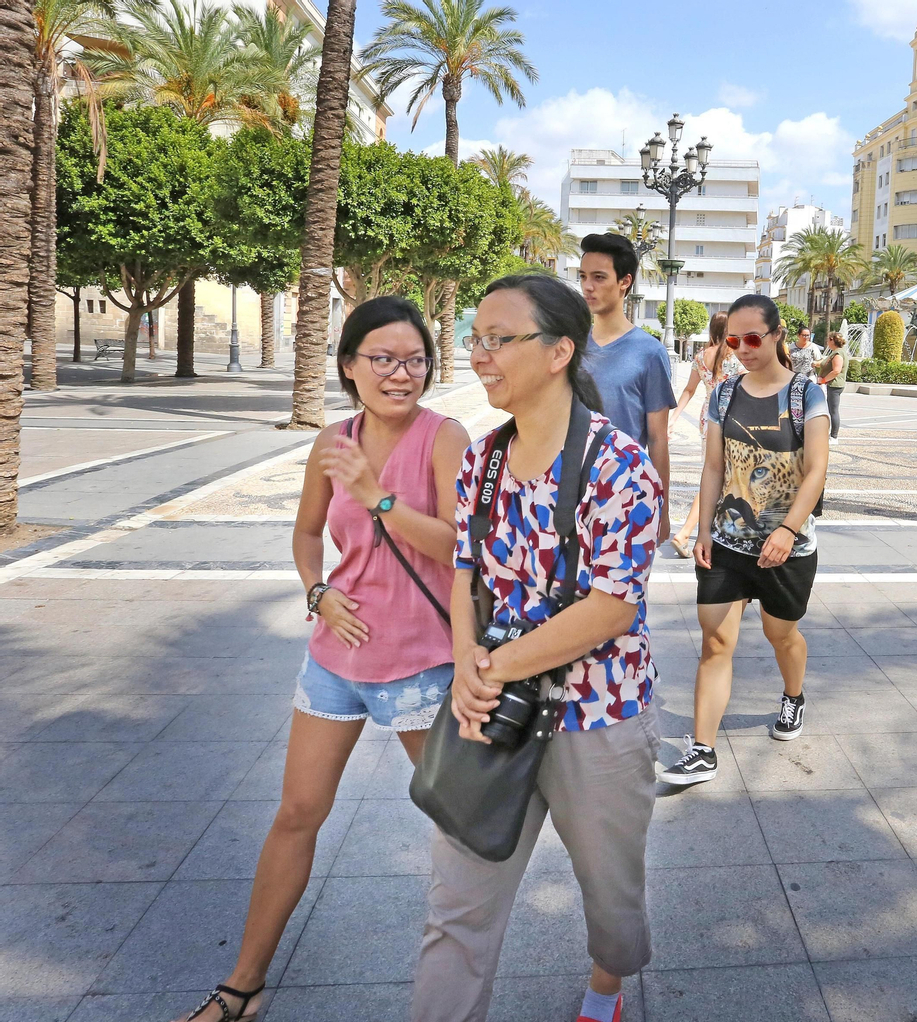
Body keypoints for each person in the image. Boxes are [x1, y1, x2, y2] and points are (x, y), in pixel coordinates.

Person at [178, 297, 468, 1022]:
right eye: (384, 359)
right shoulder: (332, 440)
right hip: (335, 658)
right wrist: (317, 594)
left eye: (414, 359)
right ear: (349, 366)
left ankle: (455, 990)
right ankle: (242, 985)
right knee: (297, 813)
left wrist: (378, 497)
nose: (402, 374)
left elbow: (464, 549)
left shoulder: (444, 436)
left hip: (419, 663)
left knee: (458, 824)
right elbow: (308, 534)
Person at [410, 274, 664, 1022]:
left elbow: (612, 608)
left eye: (498, 339)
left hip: (600, 717)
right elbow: (465, 568)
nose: (478, 355)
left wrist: (489, 669)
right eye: (474, 339)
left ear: (559, 351)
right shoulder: (483, 459)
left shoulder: (619, 465)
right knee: (455, 910)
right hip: (492, 710)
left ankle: (603, 992)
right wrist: (465, 665)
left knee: (611, 905)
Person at [660, 294, 829, 785]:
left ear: (777, 334)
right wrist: (705, 529)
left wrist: (787, 528)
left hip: (788, 549)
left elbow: (816, 469)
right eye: (733, 340)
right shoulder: (724, 393)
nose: (742, 349)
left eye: (753, 338)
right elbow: (714, 467)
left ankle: (793, 696)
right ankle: (702, 751)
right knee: (716, 642)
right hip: (729, 544)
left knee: (782, 635)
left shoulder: (805, 394)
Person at [576, 232, 674, 544]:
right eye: (583, 277)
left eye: (599, 277)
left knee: (620, 592)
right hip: (567, 492)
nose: (588, 286)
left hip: (625, 496)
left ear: (624, 282)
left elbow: (658, 439)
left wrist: (663, 508)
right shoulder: (570, 347)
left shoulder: (649, 352)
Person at [665, 311, 743, 557]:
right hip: (734, 420)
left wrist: (674, 418)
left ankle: (708, 532)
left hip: (708, 421)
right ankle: (687, 532)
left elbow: (688, 390)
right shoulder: (737, 356)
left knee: (713, 475)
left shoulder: (700, 356)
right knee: (720, 479)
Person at [815, 331, 849, 445]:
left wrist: (824, 380)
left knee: (833, 411)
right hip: (832, 385)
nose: (827, 342)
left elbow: (836, 371)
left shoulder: (838, 354)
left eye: (828, 339)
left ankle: (834, 437)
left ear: (832, 340)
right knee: (831, 410)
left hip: (834, 385)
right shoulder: (835, 352)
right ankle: (830, 434)